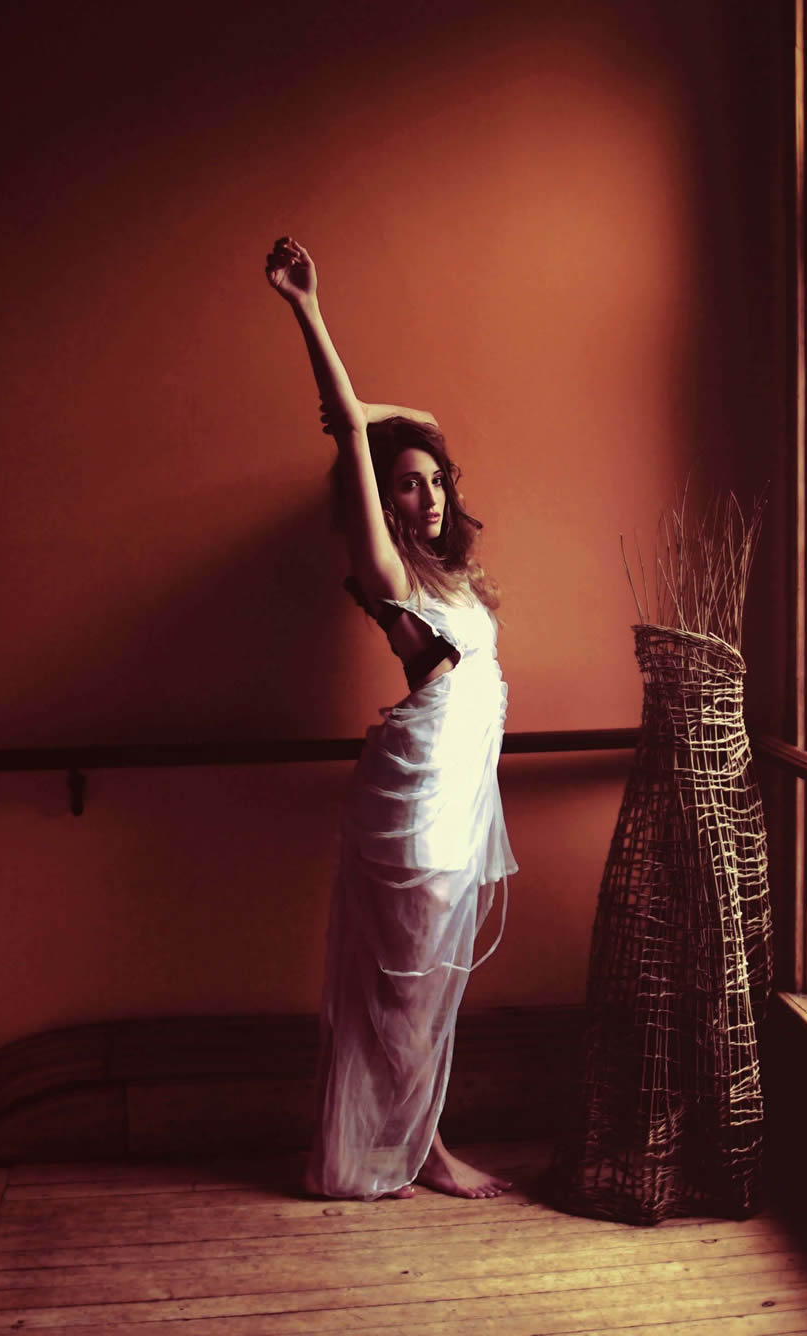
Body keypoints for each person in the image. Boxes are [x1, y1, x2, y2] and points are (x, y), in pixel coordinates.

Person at [266, 236, 518, 1201]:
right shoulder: (387, 573)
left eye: (435, 480)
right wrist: (309, 310)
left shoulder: (453, 574)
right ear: (381, 495)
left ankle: (409, 1144)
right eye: (406, 481)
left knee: (428, 984)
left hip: (456, 798)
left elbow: (429, 421)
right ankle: (427, 1153)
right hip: (414, 806)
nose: (427, 494)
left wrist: (381, 417)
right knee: (408, 989)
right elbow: (352, 440)